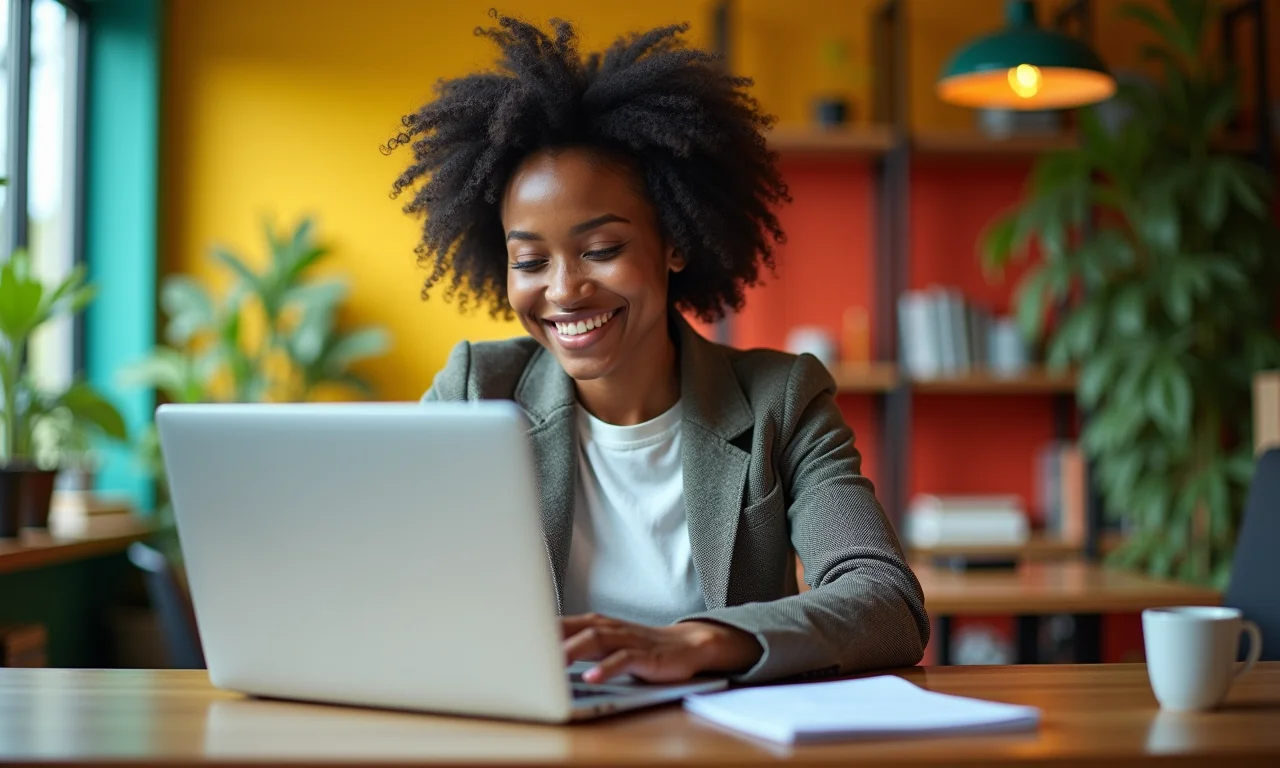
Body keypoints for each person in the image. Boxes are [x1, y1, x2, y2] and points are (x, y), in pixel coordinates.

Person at [384, 11, 928, 686]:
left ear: (674, 242)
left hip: (720, 740)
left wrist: (701, 643)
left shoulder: (780, 402)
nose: (564, 290)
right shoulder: (476, 390)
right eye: (530, 261)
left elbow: (885, 599)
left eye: (602, 250)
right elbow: (390, 579)